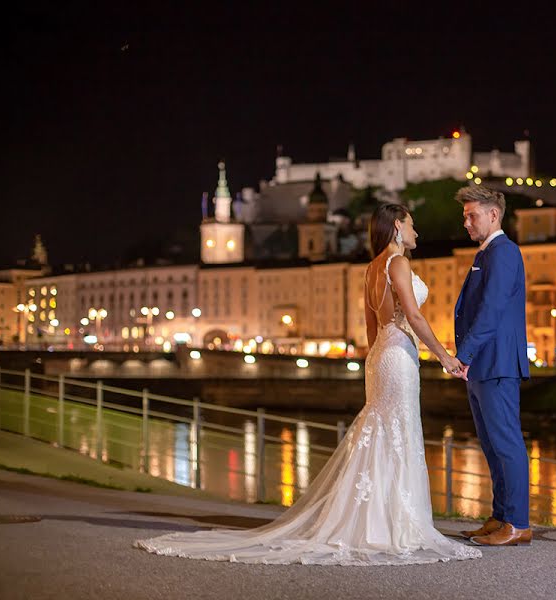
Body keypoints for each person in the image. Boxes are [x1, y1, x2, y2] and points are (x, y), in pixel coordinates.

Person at [135, 203, 480, 566]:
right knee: (399, 432)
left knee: (380, 432)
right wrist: (445, 356)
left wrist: (377, 357)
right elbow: (412, 315)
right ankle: (395, 522)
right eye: (411, 225)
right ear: (397, 227)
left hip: (380, 355)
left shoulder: (370, 269)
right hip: (399, 354)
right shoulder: (398, 263)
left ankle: (377, 519)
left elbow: (369, 328)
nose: (417, 233)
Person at [453, 185, 532, 546]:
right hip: (484, 364)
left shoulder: (504, 252)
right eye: (465, 215)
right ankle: (501, 516)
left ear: (494, 214)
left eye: (472, 215)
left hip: (495, 362)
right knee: (491, 443)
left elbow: (491, 309)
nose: (466, 221)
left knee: (506, 442)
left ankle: (517, 523)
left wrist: (464, 354)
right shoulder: (487, 253)